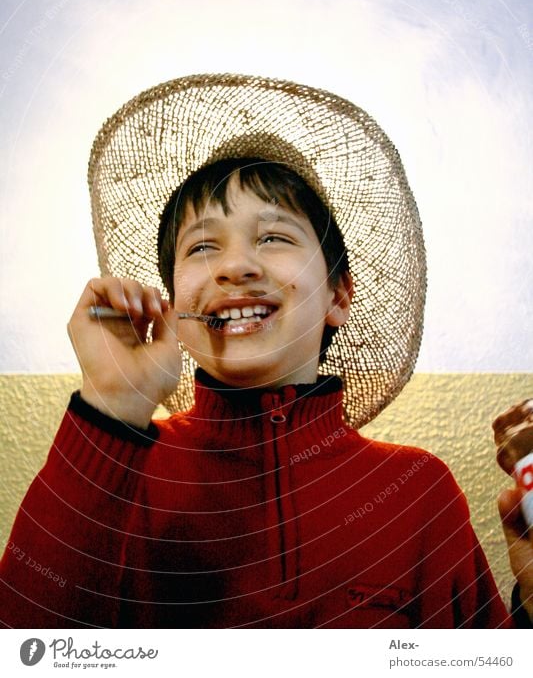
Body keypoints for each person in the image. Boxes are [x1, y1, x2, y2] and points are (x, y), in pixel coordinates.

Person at [0, 74, 531, 628]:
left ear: (338, 295)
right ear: (172, 302)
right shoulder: (118, 471)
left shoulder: (418, 490)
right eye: (203, 246)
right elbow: (25, 648)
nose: (235, 266)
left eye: (274, 237)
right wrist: (111, 405)